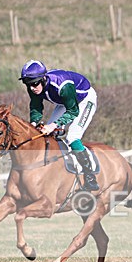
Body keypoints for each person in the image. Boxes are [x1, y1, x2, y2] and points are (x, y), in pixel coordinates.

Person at [19, 60, 100, 191]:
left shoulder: (62, 85)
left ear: (43, 78)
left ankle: (90, 176)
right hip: (65, 102)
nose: (32, 87)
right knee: (46, 134)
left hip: (84, 100)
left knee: (72, 137)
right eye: (27, 84)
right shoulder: (33, 87)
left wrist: (54, 125)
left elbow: (73, 111)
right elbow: (36, 107)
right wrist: (33, 124)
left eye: (34, 83)